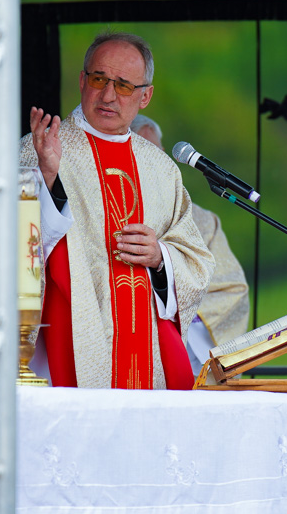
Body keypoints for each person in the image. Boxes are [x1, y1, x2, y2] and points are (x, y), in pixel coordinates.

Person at [21, 31, 215, 390]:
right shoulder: (40, 149)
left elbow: (197, 262)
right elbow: (2, 247)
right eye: (99, 79)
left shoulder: (161, 169)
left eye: (124, 86)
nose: (108, 95)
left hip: (148, 349)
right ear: (82, 81)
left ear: (145, 96)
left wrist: (161, 257)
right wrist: (47, 180)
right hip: (72, 337)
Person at [130, 114, 250, 370]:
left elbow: (231, 290)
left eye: (157, 153)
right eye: (141, 153)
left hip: (187, 356)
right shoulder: (103, 213)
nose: (152, 162)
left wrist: (177, 308)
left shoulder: (201, 222)